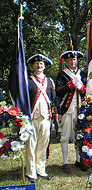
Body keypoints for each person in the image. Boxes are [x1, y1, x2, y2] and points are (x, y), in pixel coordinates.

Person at [55, 50, 87, 173]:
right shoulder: (62, 75)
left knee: (79, 135)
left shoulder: (83, 74)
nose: (72, 62)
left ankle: (79, 160)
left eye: (74, 59)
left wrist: (81, 87)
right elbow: (58, 91)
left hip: (80, 110)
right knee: (65, 136)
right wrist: (70, 85)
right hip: (67, 109)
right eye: (70, 60)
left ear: (77, 60)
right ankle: (65, 162)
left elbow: (87, 90)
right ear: (66, 62)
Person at [25, 54, 55, 183]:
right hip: (32, 117)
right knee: (31, 145)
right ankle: (31, 172)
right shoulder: (28, 81)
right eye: (36, 63)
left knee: (43, 144)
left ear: (44, 66)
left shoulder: (49, 81)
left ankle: (41, 169)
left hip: (45, 117)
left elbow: (53, 98)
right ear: (33, 66)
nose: (39, 65)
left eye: (41, 64)